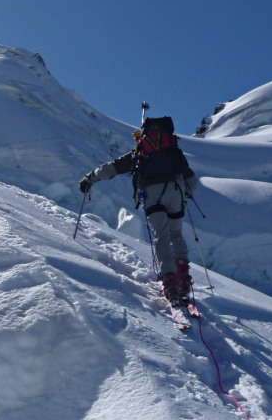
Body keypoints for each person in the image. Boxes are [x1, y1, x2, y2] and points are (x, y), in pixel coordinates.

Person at [79, 116, 199, 303]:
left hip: (153, 196)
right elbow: (191, 180)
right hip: (175, 193)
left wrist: (90, 178)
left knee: (162, 235)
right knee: (175, 234)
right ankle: (183, 277)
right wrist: (186, 193)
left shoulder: (139, 153)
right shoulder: (174, 151)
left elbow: (112, 168)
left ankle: (170, 281)